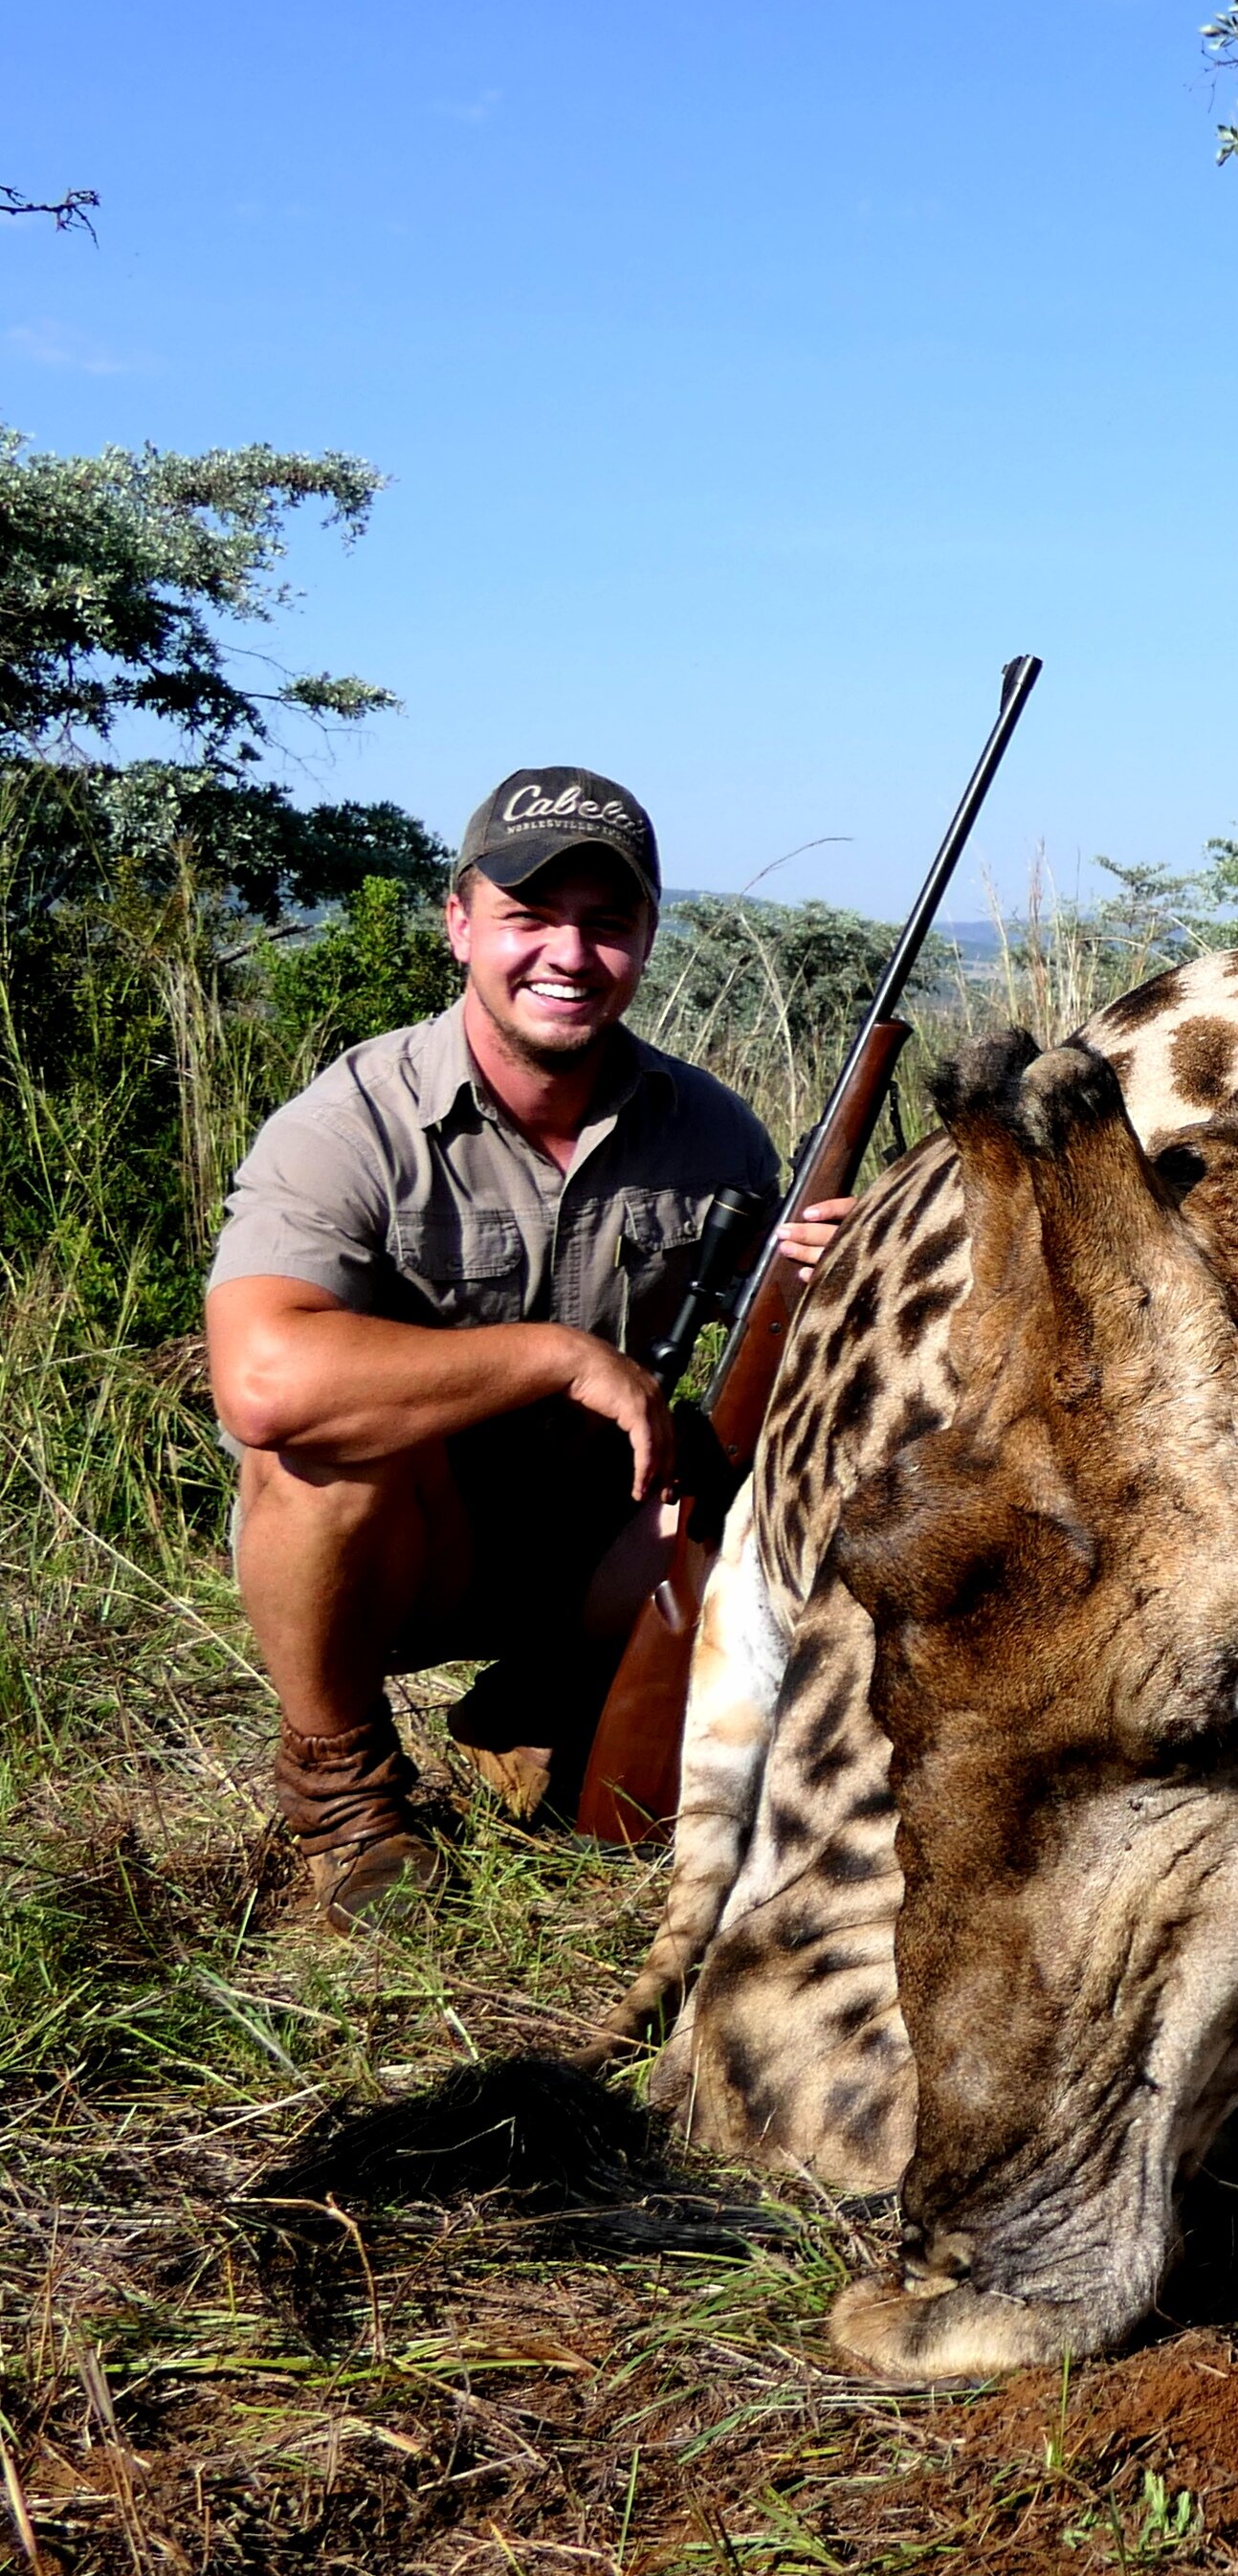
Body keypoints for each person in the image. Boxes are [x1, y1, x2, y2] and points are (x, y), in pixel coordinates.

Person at [205, 769, 854, 1923]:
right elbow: (263, 1382)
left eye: (608, 924)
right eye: (530, 917)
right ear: (460, 923)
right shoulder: (349, 1121)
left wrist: (831, 1281)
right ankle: (345, 1800)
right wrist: (560, 1355)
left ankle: (545, 1707)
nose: (569, 953)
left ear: (649, 937)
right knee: (311, 1455)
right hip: (408, 1557)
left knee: (771, 1509)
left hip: (601, 1551)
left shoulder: (710, 1129)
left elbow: (776, 1362)